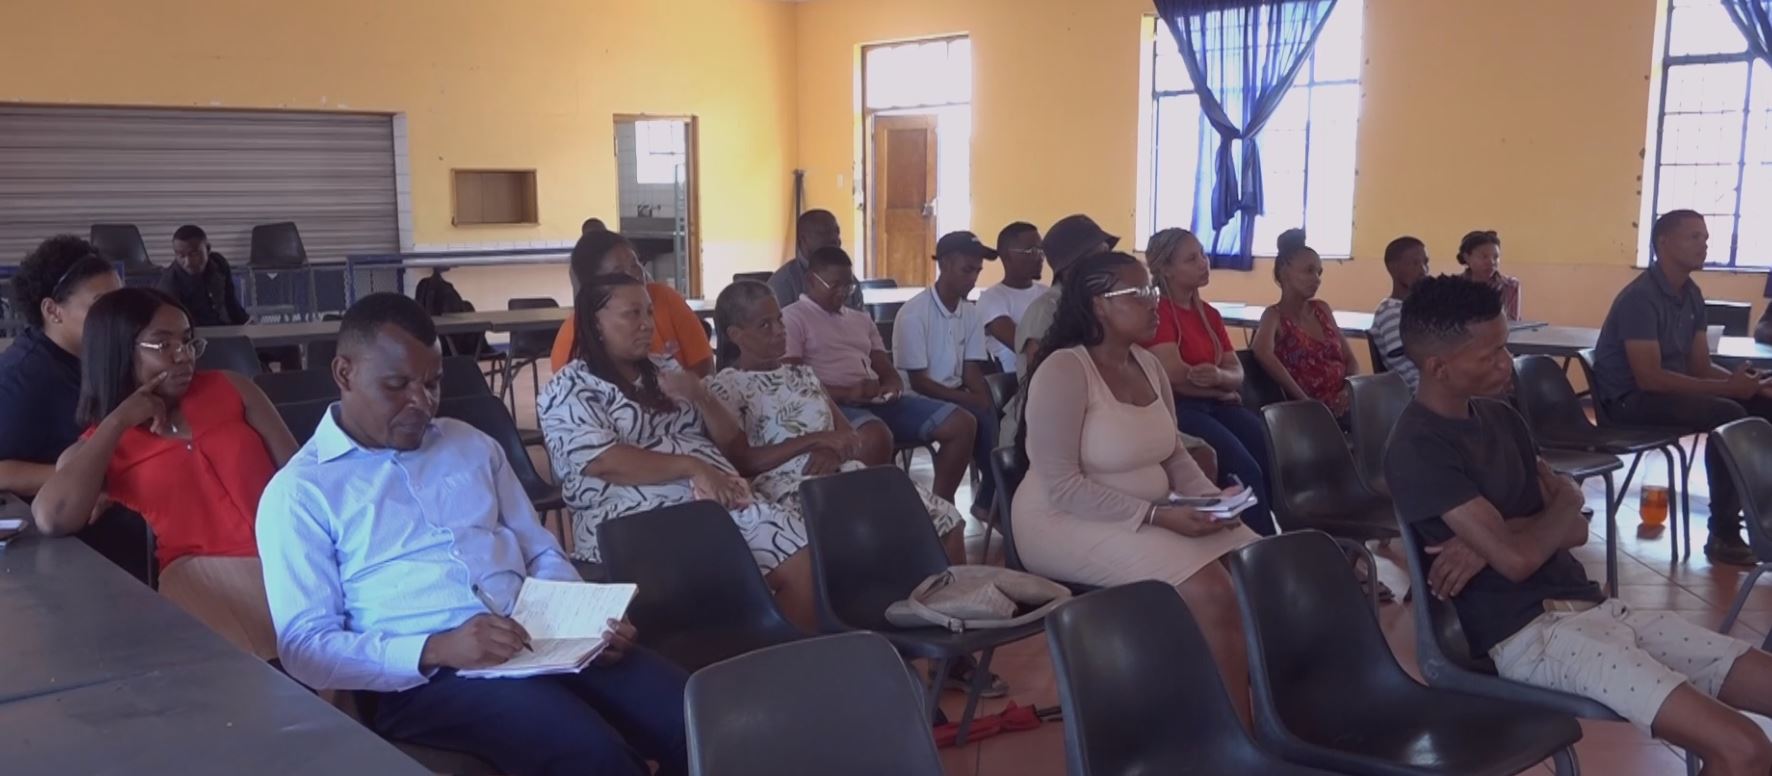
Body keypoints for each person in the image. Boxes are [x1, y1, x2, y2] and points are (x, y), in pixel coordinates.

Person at [257, 292, 687, 776]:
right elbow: (305, 647)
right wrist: (437, 647)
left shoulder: (471, 445)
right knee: (593, 756)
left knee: (694, 714)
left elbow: (540, 550)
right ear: (344, 373)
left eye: (433, 383)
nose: (421, 402)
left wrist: (582, 621)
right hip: (429, 679)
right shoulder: (301, 492)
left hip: (542, 638)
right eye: (397, 385)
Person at [1387, 274, 1772, 774]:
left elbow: (1575, 530)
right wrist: (1561, 503)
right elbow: (1521, 560)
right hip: (1532, 637)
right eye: (1492, 354)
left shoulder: (1502, 419)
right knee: (1744, 748)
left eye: (1505, 346)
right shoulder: (1418, 445)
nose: (1507, 363)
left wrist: (1498, 536)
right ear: (1439, 367)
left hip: (1597, 610)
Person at [1013, 251, 1259, 725]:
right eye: (1140, 292)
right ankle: (1237, 734)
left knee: (1257, 564)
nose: (1154, 303)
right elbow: (1062, 485)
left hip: (1145, 510)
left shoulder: (1147, 364)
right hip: (1061, 522)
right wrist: (1159, 516)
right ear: (1099, 305)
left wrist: (1212, 501)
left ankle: (1239, 704)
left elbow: (1174, 454)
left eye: (1153, 290)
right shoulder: (1064, 370)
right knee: (1209, 588)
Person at [33, 288, 296, 660]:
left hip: (288, 555)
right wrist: (119, 420)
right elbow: (51, 517)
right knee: (267, 669)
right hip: (201, 576)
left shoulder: (232, 388)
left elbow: (300, 477)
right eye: (163, 344)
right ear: (119, 351)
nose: (183, 356)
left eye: (187, 341)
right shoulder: (100, 446)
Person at [540, 273, 820, 621]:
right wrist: (694, 467)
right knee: (749, 569)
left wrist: (700, 395)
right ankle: (745, 646)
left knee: (802, 554)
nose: (647, 324)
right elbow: (604, 461)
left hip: (718, 505)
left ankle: (786, 648)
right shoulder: (570, 387)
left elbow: (732, 441)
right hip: (636, 519)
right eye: (632, 314)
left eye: (649, 312)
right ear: (595, 323)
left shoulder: (666, 369)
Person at [706, 280, 965, 560]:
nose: (780, 330)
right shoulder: (726, 387)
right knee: (873, 533)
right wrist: (816, 441)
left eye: (779, 319)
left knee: (946, 518)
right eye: (765, 325)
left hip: (843, 474)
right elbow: (743, 461)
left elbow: (850, 436)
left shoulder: (803, 375)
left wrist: (832, 451)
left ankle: (955, 588)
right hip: (790, 490)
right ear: (736, 335)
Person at [1591, 210, 1772, 566]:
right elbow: (1650, 378)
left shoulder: (1692, 294)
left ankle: (1763, 522)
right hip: (1630, 402)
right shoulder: (1640, 297)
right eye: (1694, 237)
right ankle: (1723, 533)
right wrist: (1731, 390)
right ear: (1663, 242)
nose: (1704, 245)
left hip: (1666, 393)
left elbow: (1700, 366)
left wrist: (1750, 386)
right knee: (1729, 413)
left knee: (1762, 407)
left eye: (1705, 238)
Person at [781, 246, 978, 504]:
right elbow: (793, 381)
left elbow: (883, 365)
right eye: (834, 285)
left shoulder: (860, 319)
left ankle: (942, 505)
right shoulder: (793, 317)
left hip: (875, 400)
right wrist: (847, 393)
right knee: (876, 437)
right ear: (810, 281)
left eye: (848, 286)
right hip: (832, 406)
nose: (842, 293)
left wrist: (892, 384)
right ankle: (871, 514)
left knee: (961, 423)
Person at [1140, 228, 1274, 536]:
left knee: (1270, 450)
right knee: (1244, 469)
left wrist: (1222, 380)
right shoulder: (1158, 311)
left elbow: (1236, 371)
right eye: (1191, 259)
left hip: (1219, 403)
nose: (1204, 262)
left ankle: (1292, 533)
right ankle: (1254, 546)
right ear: (1166, 269)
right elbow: (1175, 376)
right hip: (1182, 409)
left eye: (1202, 254)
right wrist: (1220, 388)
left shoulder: (1209, 314)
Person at [0, 236, 122, 499]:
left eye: (120, 301)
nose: (118, 315)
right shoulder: (21, 378)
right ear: (53, 311)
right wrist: (91, 480)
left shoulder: (99, 354)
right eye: (101, 304)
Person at [892, 231, 1000, 517]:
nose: (973, 278)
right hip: (914, 399)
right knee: (975, 418)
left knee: (998, 414)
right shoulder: (914, 313)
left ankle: (987, 500)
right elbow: (919, 383)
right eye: (967, 270)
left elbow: (971, 369)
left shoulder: (970, 312)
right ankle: (952, 503)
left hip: (953, 394)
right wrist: (972, 401)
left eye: (978, 271)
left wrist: (982, 397)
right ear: (944, 264)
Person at [548, 230, 713, 376]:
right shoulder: (571, 343)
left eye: (635, 264)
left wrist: (688, 393)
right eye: (618, 272)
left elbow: (704, 365)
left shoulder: (666, 298)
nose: (634, 275)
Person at [1252, 229, 1360, 421]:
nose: (1317, 279)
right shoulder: (1274, 316)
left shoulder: (1322, 309)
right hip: (1309, 410)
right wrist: (1305, 401)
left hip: (1344, 402)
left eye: (1319, 272)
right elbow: (1261, 351)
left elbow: (1350, 360)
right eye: (1309, 271)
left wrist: (1348, 390)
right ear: (1284, 272)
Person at [976, 222, 1047, 374]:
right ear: (1007, 255)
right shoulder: (991, 299)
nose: (1040, 258)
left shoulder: (1047, 294)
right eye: (1032, 251)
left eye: (1042, 250)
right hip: (1016, 382)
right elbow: (1023, 345)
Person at [1370, 235, 1432, 392]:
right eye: (1415, 263)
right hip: (1421, 394)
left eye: (1425, 263)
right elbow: (1409, 367)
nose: (1423, 270)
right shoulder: (1390, 311)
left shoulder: (1422, 309)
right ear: (1393, 268)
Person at [768, 209, 863, 311]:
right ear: (803, 240)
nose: (835, 239)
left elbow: (861, 316)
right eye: (825, 233)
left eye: (837, 232)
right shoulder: (783, 284)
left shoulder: (848, 280)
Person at [159, 225, 248, 327]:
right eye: (181, 256)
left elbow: (230, 301)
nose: (187, 262)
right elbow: (175, 326)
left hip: (226, 328)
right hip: (195, 333)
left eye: (194, 254)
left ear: (208, 249)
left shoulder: (219, 263)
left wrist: (246, 322)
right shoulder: (169, 284)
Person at [1457, 230, 1521, 321]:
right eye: (1484, 256)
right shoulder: (1454, 287)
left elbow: (1512, 323)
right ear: (1467, 257)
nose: (1491, 262)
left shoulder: (1510, 285)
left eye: (1496, 257)